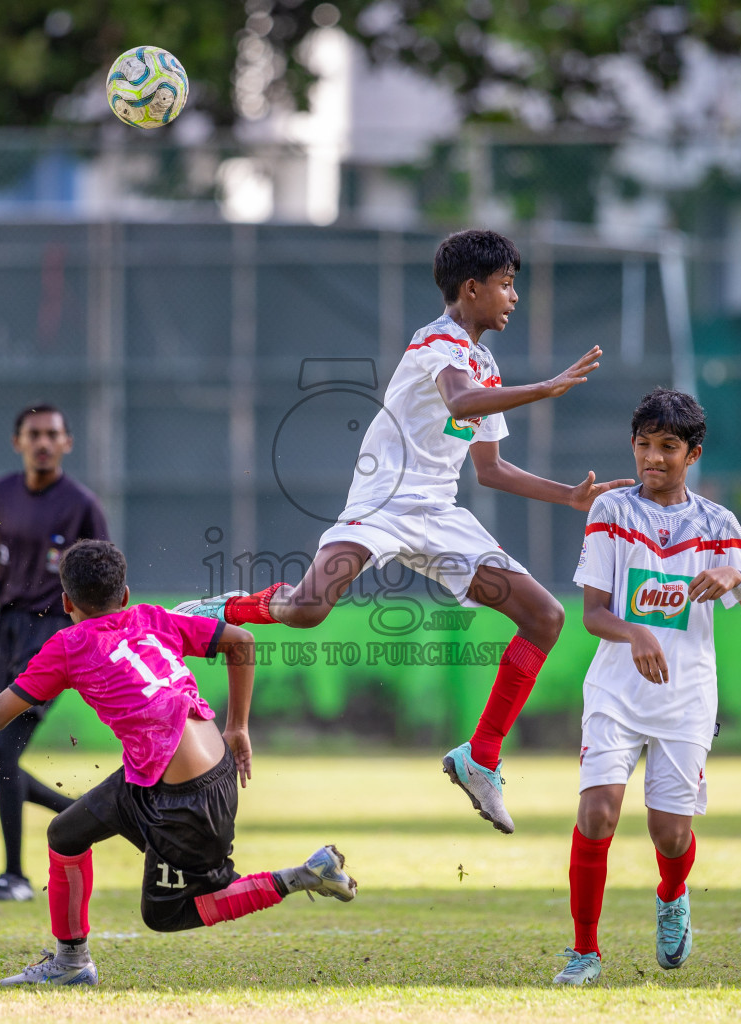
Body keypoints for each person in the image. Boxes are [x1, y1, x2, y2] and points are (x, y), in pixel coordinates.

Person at [174, 229, 630, 834]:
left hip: (440, 518)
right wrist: (544, 389)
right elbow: (462, 403)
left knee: (545, 617)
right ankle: (214, 613)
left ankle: (481, 759)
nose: (513, 297)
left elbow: (489, 469)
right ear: (472, 288)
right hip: (384, 505)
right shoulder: (436, 341)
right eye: (506, 284)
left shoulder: (485, 361)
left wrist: (567, 495)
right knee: (309, 609)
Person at [0, 539, 356, 986]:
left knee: (168, 913)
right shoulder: (152, 617)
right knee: (65, 833)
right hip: (178, 772)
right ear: (125, 594)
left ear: (66, 603)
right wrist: (238, 727)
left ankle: (302, 874)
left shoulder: (66, 645)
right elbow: (241, 642)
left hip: (185, 801)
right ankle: (71, 964)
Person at [553, 389, 741, 985]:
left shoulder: (718, 526)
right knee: (598, 812)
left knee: (669, 832)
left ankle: (673, 895)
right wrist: (635, 636)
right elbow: (594, 613)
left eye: (668, 447)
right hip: (615, 692)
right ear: (633, 446)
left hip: (686, 699)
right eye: (644, 445)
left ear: (692, 453)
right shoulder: (611, 512)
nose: (653, 458)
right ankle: (584, 952)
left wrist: (737, 577)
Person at [0, 404, 109, 901]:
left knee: (3, 751)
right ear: (17, 441)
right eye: (34, 434)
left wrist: (97, 638)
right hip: (5, 630)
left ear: (68, 442)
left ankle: (15, 878)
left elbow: (105, 578)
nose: (43, 442)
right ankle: (85, 810)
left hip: (52, 635)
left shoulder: (82, 505)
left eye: (52, 434)